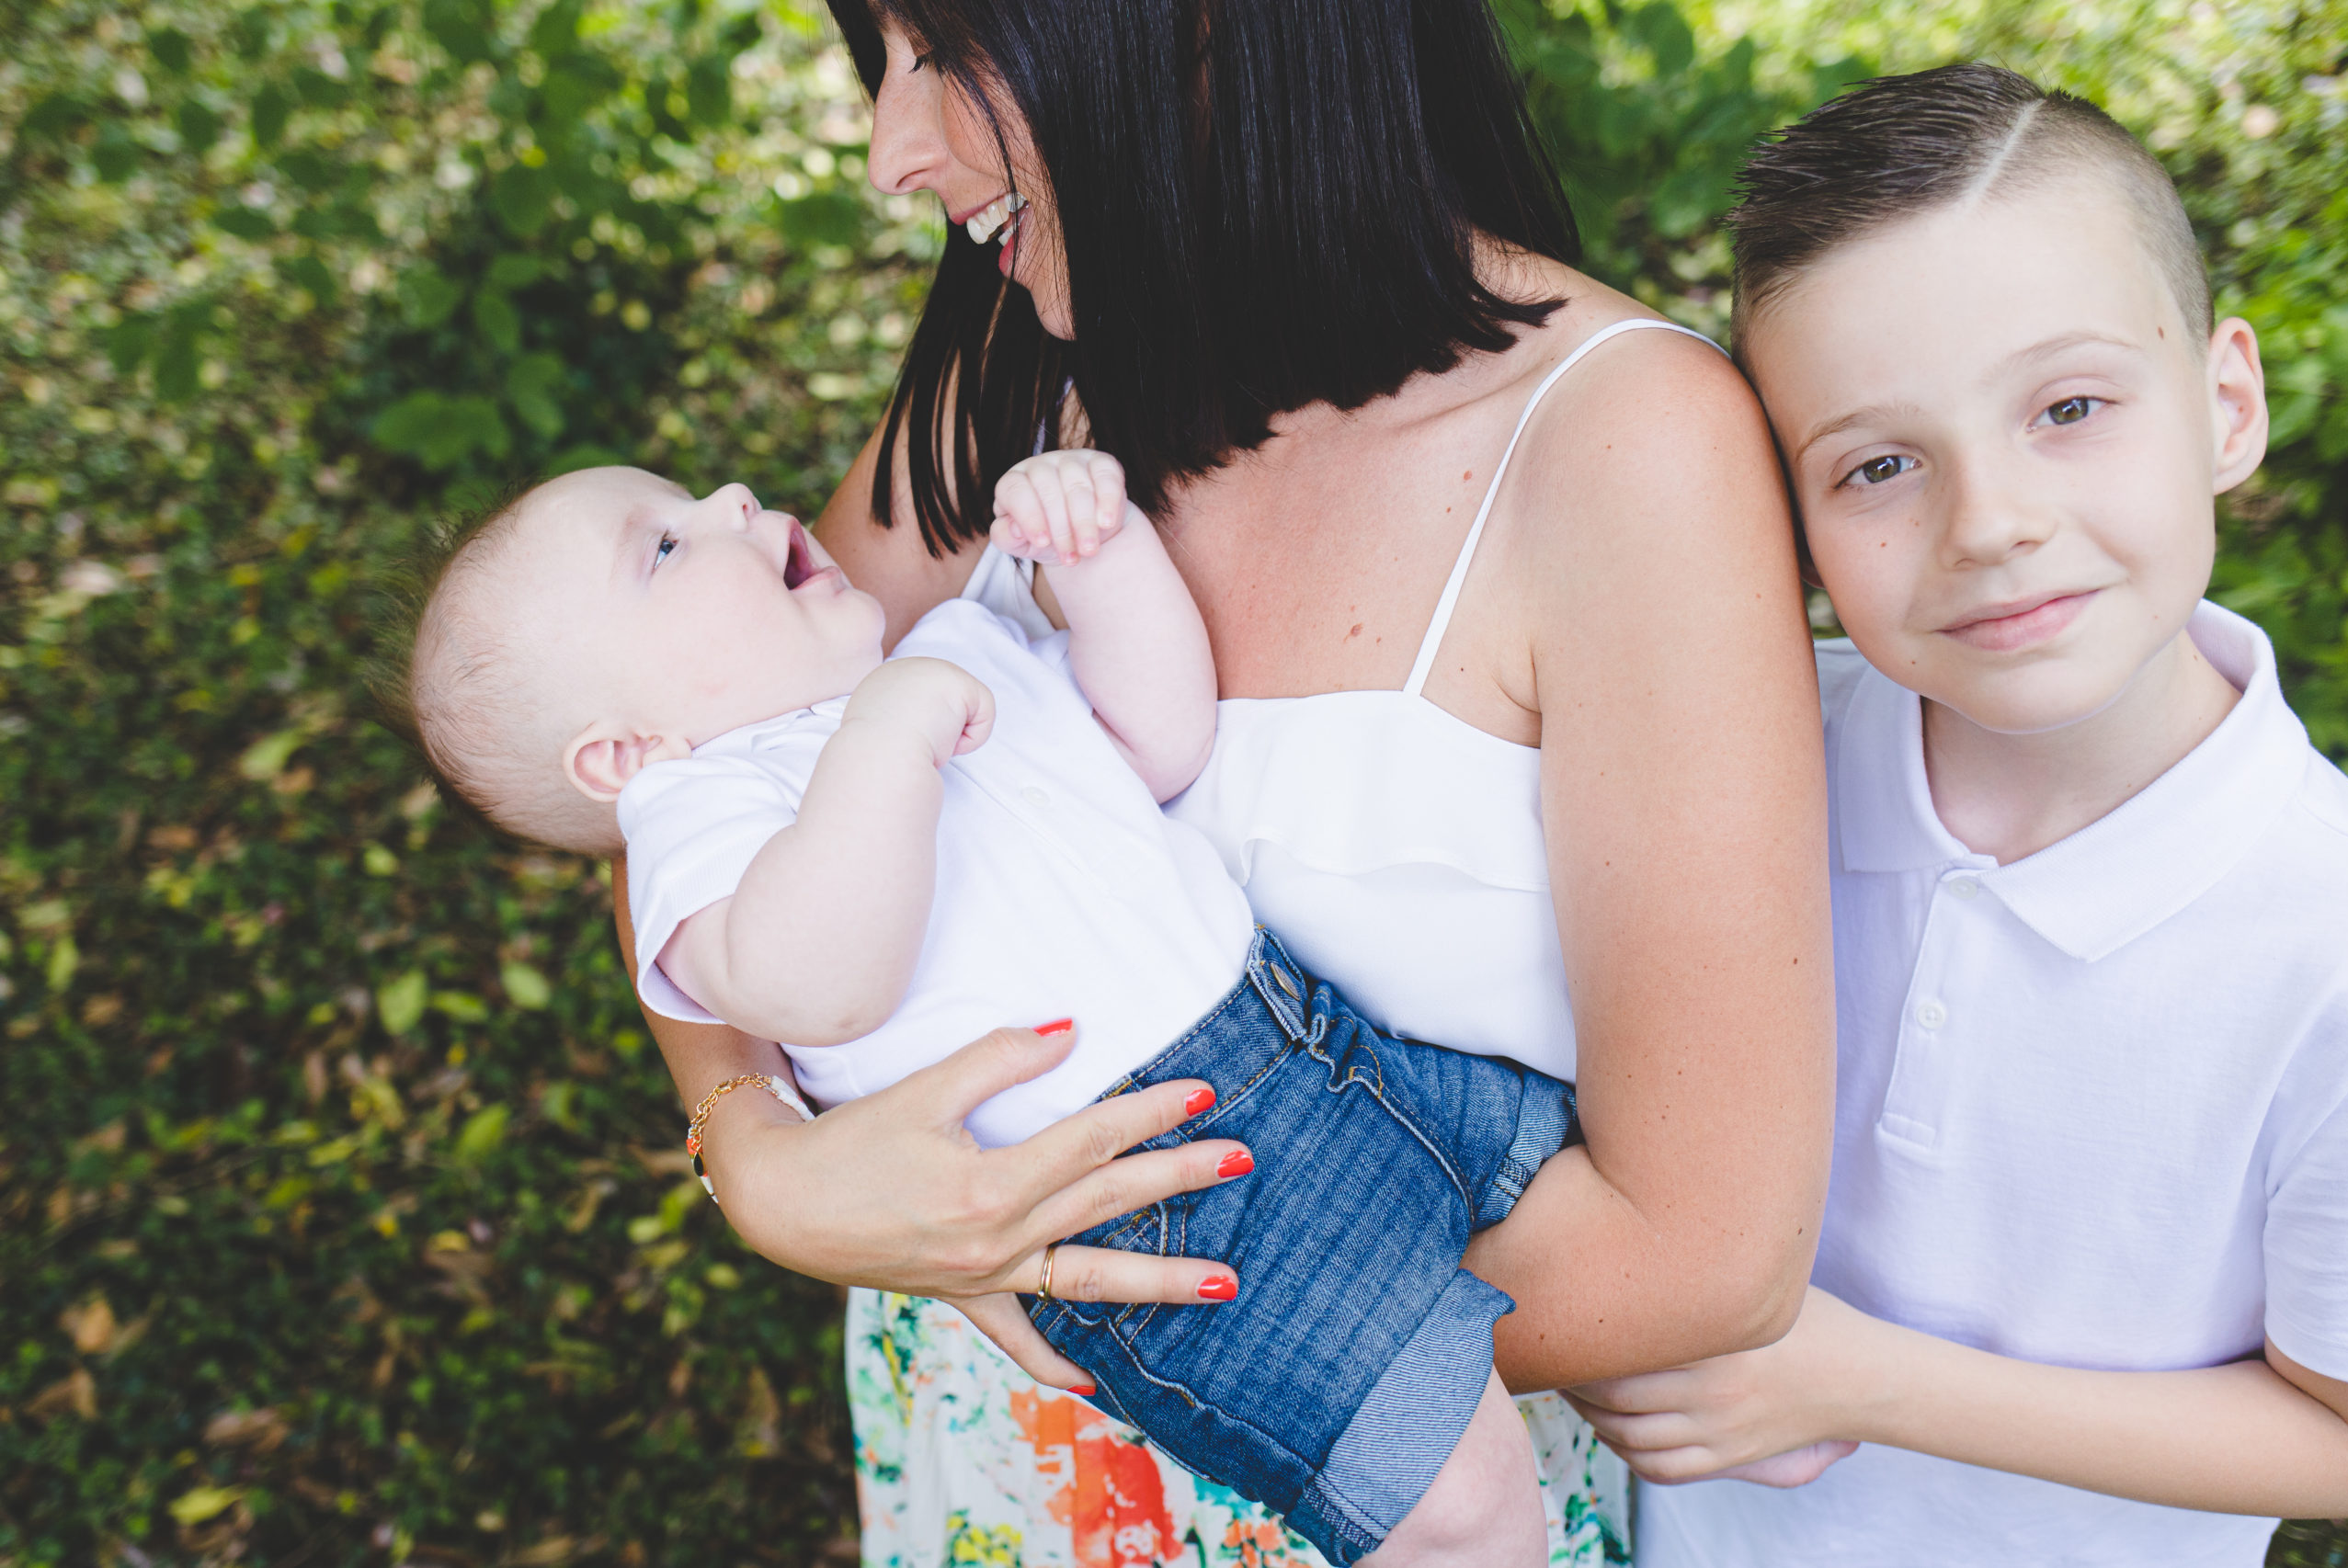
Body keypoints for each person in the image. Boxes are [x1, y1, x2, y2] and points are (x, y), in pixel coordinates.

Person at [619, 0, 1837, 1561]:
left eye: (944, 52)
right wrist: (765, 1162)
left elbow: (1708, 1250)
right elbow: (681, 764)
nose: (889, 150)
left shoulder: (1624, 448)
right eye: (882, 61)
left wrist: (1084, 1314)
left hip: (1391, 1496)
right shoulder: (1020, 362)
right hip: (986, 1478)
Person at [396, 449, 1585, 1563]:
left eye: (694, 496)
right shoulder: (703, 818)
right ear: (624, 756)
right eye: (662, 549)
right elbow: (816, 981)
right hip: (1154, 1193)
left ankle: (1752, 1425)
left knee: (1587, 1179)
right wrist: (885, 735)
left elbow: (1155, 734)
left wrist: (1097, 555)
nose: (735, 499)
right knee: (1455, 1492)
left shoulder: (954, 646)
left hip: (1317, 1038)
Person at [1564, 65, 2348, 1567]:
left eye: (2070, 406)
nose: (1988, 520)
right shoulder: (1723, 749)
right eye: (1878, 464)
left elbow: (2341, 1430)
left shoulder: (2328, 936)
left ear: (2227, 405)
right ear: (1785, 527)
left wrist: (1864, 1380)